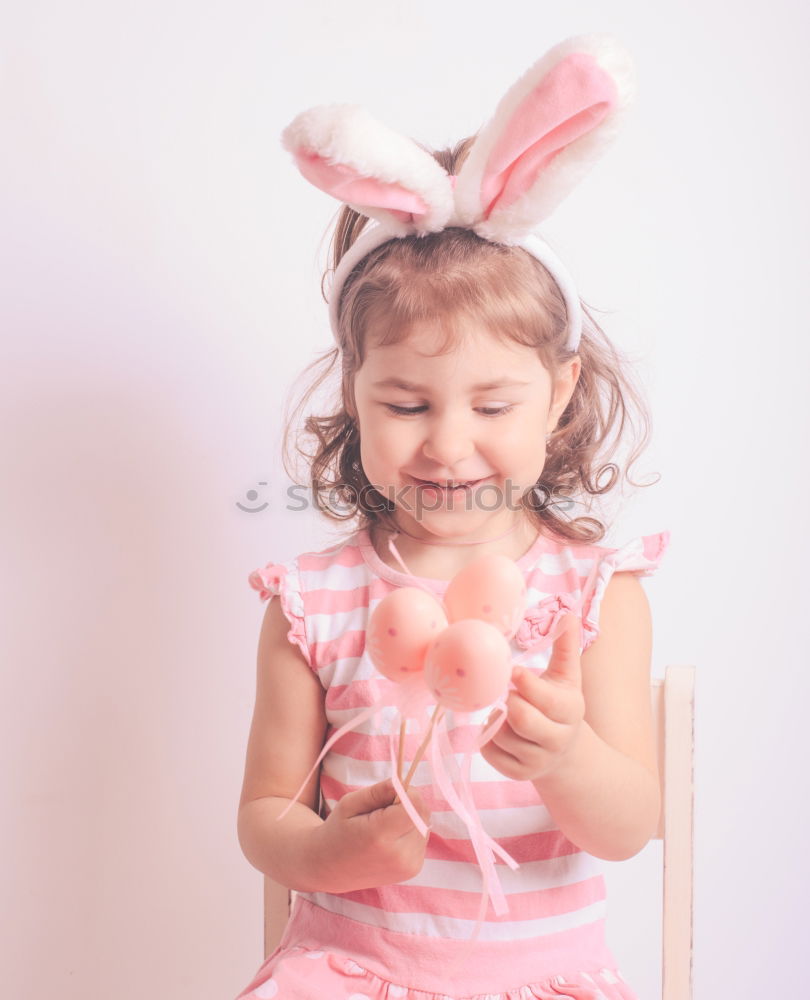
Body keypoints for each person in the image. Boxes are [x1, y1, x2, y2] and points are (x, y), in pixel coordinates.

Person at [234, 34, 670, 1000]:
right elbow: (265, 813)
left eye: (493, 404)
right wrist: (327, 852)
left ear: (559, 396)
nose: (446, 444)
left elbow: (630, 824)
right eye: (407, 404)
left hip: (539, 977)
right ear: (355, 393)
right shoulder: (314, 601)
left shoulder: (594, 596)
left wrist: (563, 755)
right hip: (355, 970)